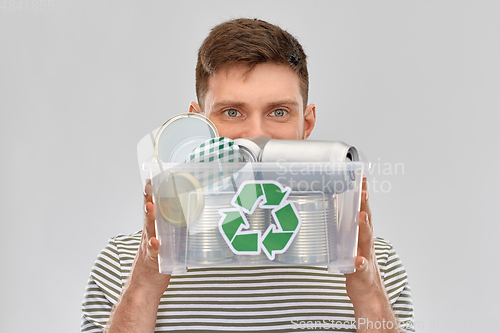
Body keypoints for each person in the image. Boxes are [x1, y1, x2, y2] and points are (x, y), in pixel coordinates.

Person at [81, 18, 414, 332]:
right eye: (232, 112)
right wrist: (144, 282)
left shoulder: (374, 262)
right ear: (198, 124)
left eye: (279, 112)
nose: (256, 134)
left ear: (306, 124)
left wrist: (368, 290)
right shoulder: (123, 262)